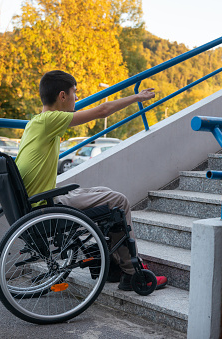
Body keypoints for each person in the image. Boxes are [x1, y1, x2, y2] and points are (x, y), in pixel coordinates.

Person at [15, 70, 167, 291]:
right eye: (75, 94)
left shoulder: (34, 122)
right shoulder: (51, 120)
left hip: (38, 200)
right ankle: (133, 273)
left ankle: (112, 264)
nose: (77, 99)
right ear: (62, 96)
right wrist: (137, 97)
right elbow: (102, 110)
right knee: (119, 201)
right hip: (46, 206)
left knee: (103, 192)